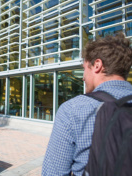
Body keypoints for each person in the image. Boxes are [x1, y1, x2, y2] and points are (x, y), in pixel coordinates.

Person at [41, 33, 132, 176]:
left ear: (97, 65)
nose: (83, 77)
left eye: (84, 68)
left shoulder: (72, 110)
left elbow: (53, 173)